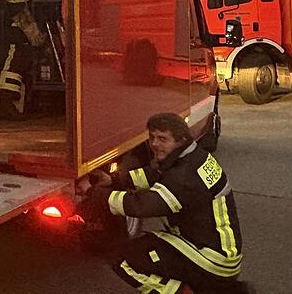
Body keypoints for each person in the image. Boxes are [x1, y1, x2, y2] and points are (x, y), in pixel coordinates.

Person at [83, 113, 246, 293]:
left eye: (162, 139)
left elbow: (142, 205)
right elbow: (154, 175)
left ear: (181, 140)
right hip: (219, 254)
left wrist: (93, 194)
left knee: (121, 255)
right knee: (148, 246)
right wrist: (114, 180)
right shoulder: (194, 157)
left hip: (209, 258)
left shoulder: (184, 176)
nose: (154, 144)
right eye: (152, 137)